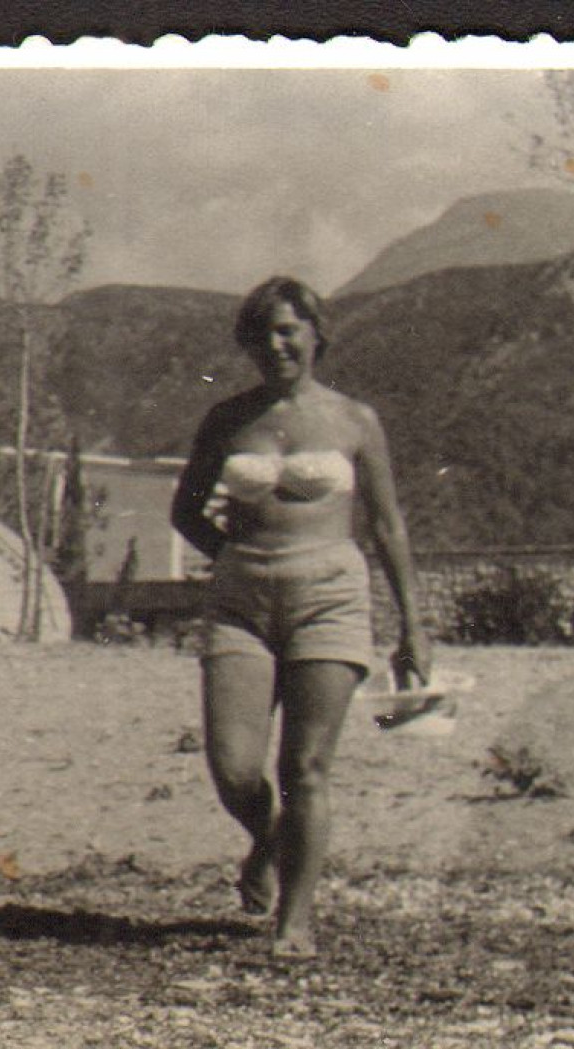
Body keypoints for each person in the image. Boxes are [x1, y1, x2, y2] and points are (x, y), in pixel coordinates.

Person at [171, 276, 430, 961]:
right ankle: (268, 838)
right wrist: (231, 552)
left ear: (317, 334)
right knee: (234, 768)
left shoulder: (354, 421)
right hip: (241, 603)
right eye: (263, 333)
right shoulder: (227, 419)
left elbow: (389, 526)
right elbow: (184, 511)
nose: (277, 344)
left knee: (307, 765)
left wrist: (414, 626)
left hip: (332, 596)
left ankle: (295, 918)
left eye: (290, 329)